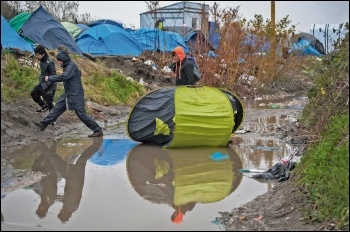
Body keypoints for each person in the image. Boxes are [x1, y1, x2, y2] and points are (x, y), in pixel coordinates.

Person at [34, 50, 103, 138]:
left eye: (59, 61)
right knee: (57, 108)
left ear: (64, 60)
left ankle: (97, 130)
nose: (58, 63)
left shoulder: (71, 65)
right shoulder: (67, 65)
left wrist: (49, 78)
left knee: (81, 115)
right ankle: (43, 124)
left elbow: (64, 76)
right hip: (68, 93)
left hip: (76, 94)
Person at [31, 45, 57, 113]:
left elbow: (54, 75)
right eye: (36, 55)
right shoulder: (41, 60)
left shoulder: (50, 62)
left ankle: (52, 119)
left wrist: (47, 85)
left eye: (38, 55)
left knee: (49, 103)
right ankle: (43, 105)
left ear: (43, 54)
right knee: (34, 93)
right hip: (42, 83)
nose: (37, 56)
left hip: (50, 86)